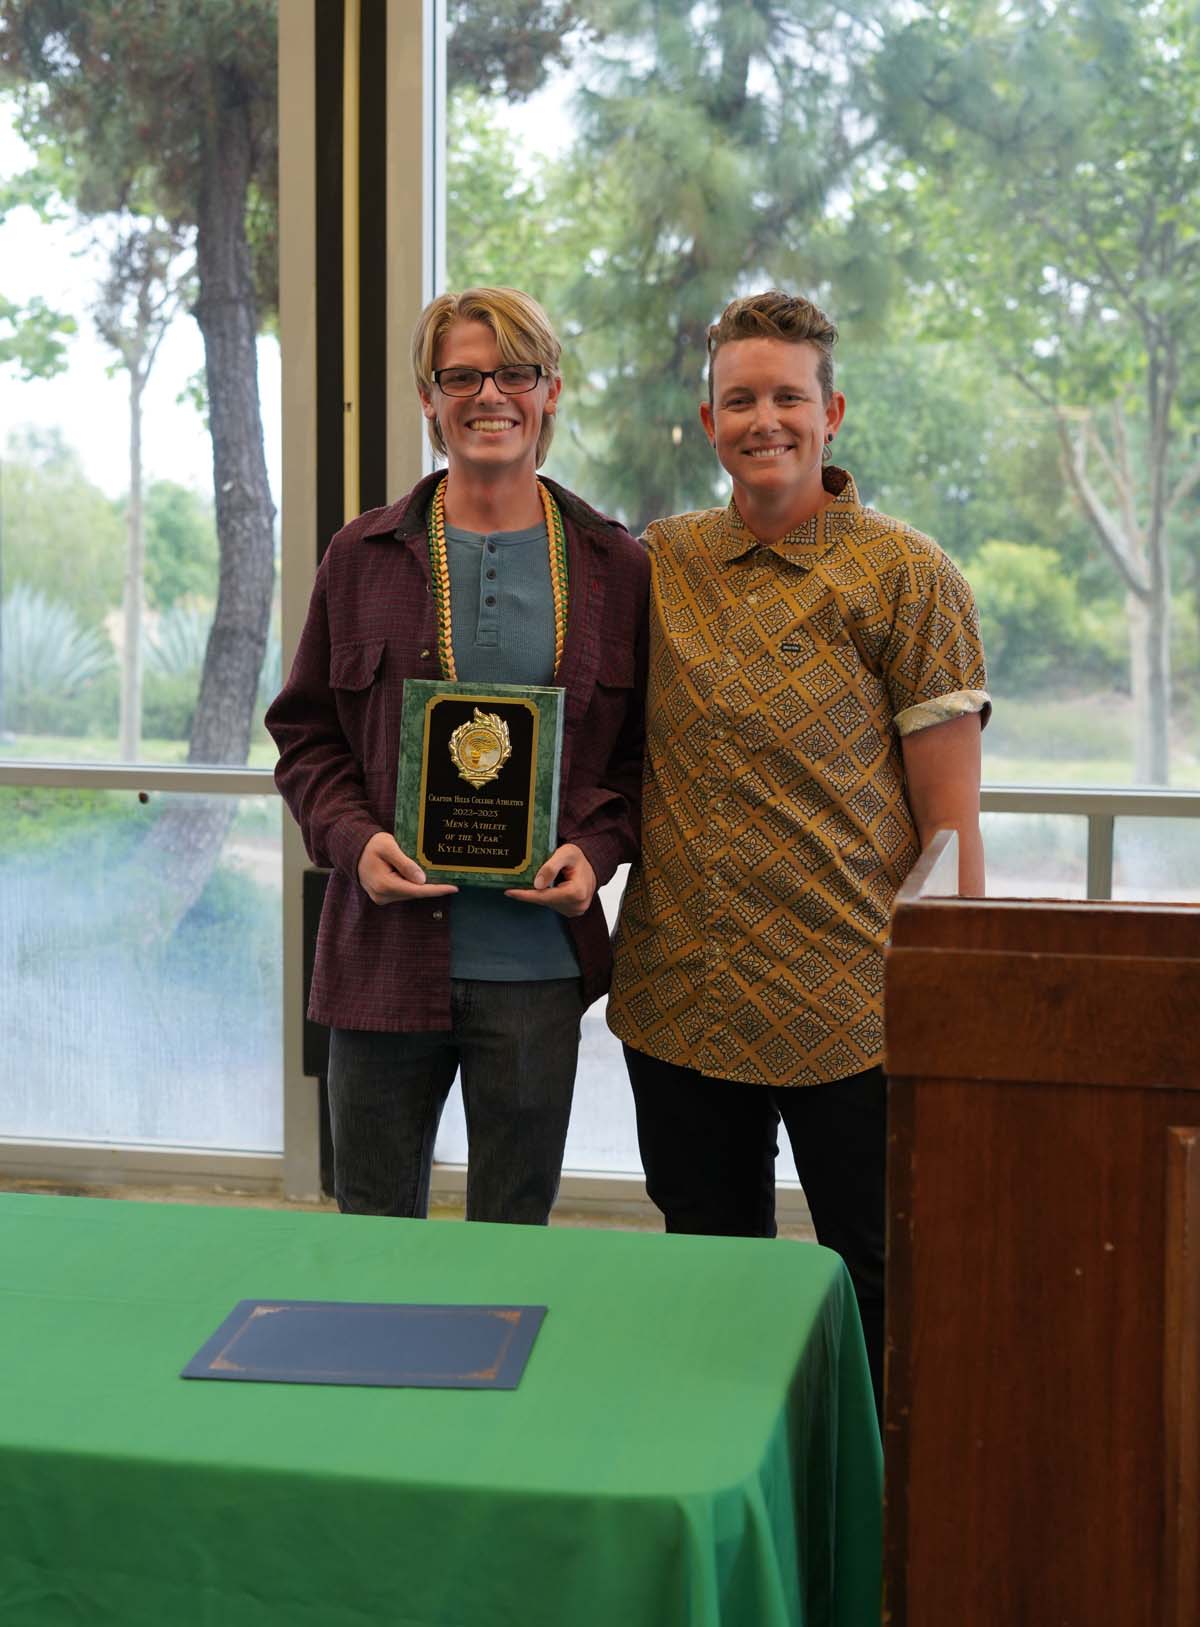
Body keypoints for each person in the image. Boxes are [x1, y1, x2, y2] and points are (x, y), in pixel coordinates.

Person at [606, 290, 989, 1412]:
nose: (763, 417)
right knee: (709, 1279)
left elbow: (953, 833)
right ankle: (730, 1485)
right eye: (740, 398)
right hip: (684, 998)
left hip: (851, 1008)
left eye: (786, 396)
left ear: (832, 412)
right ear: (708, 417)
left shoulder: (907, 576)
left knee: (877, 1281)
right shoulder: (658, 564)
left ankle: (875, 1530)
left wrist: (946, 1001)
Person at [267, 286, 648, 1225]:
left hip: (536, 970)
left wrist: (594, 855)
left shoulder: (614, 563)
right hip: (379, 955)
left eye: (514, 372)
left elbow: (641, 762)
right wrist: (354, 842)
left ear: (550, 391)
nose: (490, 394)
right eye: (462, 376)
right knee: (372, 1232)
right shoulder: (361, 554)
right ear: (429, 399)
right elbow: (305, 733)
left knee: (512, 1242)